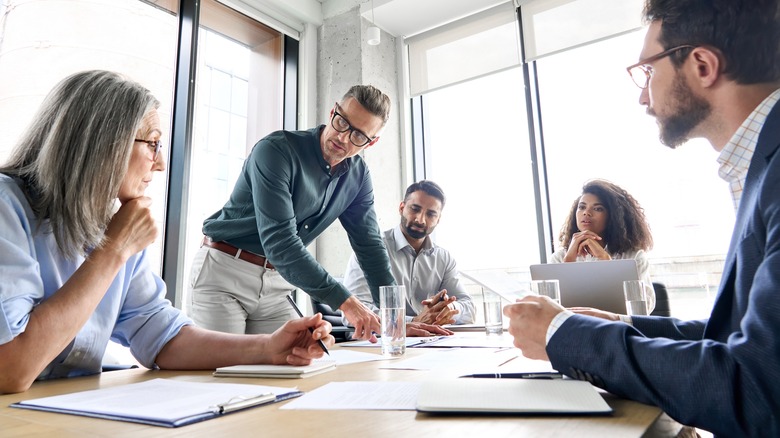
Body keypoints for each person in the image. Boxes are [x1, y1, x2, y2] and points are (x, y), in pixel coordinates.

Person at [504, 0, 780, 435]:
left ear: (703, 65)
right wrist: (623, 323)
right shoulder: (760, 165)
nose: (642, 94)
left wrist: (563, 335)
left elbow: (761, 390)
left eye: (647, 71)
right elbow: (738, 337)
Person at [0, 70, 334, 395]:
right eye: (153, 144)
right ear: (102, 144)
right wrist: (113, 251)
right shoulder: (8, 208)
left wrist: (268, 347)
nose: (160, 165)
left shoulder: (115, 224)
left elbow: (160, 335)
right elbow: (10, 369)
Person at [190, 85, 447, 340]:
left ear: (372, 142)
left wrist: (396, 320)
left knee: (301, 366)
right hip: (225, 273)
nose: (343, 138)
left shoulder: (358, 176)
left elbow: (369, 247)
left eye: (359, 136)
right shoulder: (276, 151)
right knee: (223, 373)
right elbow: (281, 243)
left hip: (276, 285)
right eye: (342, 122)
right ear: (333, 111)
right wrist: (346, 302)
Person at [342, 180, 475, 331]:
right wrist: (413, 321)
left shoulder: (443, 258)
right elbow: (353, 311)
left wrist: (448, 309)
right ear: (401, 208)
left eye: (431, 214)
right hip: (382, 343)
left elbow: (469, 308)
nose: (420, 219)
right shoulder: (370, 249)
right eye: (415, 209)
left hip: (430, 342)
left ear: (438, 219)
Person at [551, 179, 656, 311]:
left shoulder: (633, 257)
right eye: (582, 207)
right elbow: (550, 312)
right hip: (577, 329)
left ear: (613, 216)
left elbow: (643, 308)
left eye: (598, 208)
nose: (586, 213)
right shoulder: (560, 257)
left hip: (616, 329)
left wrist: (607, 263)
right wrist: (567, 264)